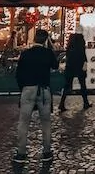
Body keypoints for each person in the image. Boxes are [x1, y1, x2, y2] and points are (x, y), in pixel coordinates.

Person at [13, 28, 58, 165]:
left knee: (23, 122)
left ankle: (21, 153)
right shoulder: (47, 53)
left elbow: (18, 74)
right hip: (43, 90)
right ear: (45, 40)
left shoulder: (26, 54)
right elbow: (55, 66)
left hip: (28, 89)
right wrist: (50, 46)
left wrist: (24, 88)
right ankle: (46, 151)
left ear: (34, 39)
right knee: (45, 122)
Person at [59, 33, 92, 112]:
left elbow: (68, 57)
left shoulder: (69, 48)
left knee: (67, 86)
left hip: (70, 67)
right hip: (79, 67)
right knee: (83, 85)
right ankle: (85, 102)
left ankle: (62, 103)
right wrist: (85, 65)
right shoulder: (80, 47)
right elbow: (83, 57)